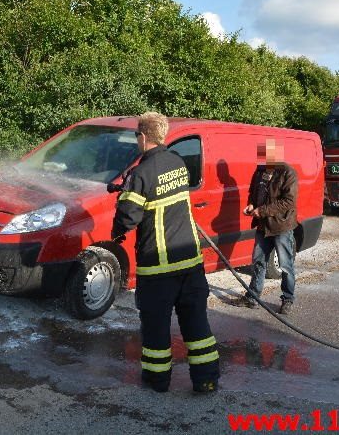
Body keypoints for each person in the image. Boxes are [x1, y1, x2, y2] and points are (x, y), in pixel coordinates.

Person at [112, 112, 220, 393]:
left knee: (156, 327)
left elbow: (127, 218)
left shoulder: (142, 172)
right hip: (190, 263)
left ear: (143, 137)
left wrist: (125, 192)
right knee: (197, 324)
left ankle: (158, 381)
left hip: (159, 268)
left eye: (137, 136)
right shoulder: (177, 162)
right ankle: (206, 380)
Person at [234, 138, 299, 315]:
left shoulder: (288, 173)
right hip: (263, 226)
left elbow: (289, 202)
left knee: (286, 265)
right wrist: (251, 204)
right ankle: (252, 297)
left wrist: (261, 211)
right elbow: (254, 192)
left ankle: (287, 299)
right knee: (258, 261)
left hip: (281, 226)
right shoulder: (260, 171)